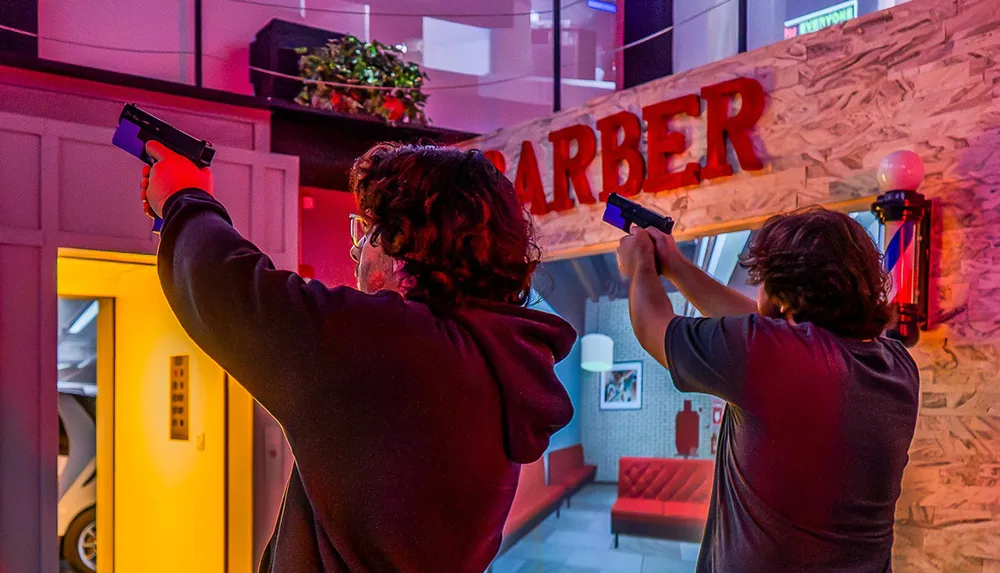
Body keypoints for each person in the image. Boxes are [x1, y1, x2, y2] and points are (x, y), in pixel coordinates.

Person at [140, 140, 576, 572]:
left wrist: (185, 197)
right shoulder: (494, 359)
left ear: (408, 253)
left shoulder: (402, 349)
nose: (355, 250)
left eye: (369, 233)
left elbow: (229, 290)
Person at [616, 208, 919, 573]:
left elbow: (652, 326)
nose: (759, 292)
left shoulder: (775, 356)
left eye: (764, 282)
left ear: (784, 294)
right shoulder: (898, 365)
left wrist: (641, 267)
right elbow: (768, 333)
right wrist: (675, 265)